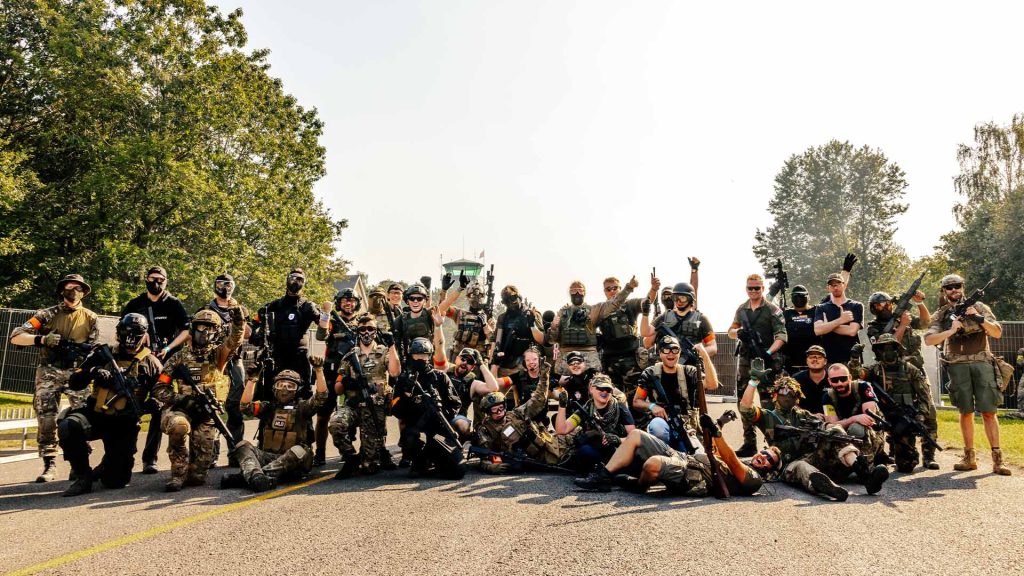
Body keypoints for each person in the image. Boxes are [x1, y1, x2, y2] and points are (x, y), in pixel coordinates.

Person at [58, 313, 163, 496]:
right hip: (96, 416)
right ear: (119, 333)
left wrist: (152, 404)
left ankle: (106, 466)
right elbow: (74, 382)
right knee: (68, 426)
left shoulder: (151, 363)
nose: (130, 337)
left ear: (145, 336)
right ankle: (83, 476)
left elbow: (164, 393)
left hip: (125, 424)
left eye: (136, 333)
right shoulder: (102, 354)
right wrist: (94, 371)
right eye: (126, 332)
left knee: (115, 481)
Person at [9, 273, 98, 482]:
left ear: (84, 291)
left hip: (77, 372)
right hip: (49, 371)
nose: (73, 291)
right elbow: (16, 336)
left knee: (82, 417)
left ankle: (79, 464)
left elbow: (94, 348)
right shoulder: (46, 315)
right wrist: (41, 339)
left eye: (78, 287)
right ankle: (49, 464)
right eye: (69, 287)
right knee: (46, 417)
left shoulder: (91, 318)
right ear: (62, 290)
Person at [741, 374, 889, 499]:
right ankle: (824, 486)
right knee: (800, 467)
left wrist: (830, 429)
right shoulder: (768, 417)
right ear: (774, 394)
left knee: (835, 431)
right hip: (787, 464)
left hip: (814, 457)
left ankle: (864, 474)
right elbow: (745, 408)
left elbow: (823, 425)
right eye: (783, 391)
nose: (787, 396)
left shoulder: (803, 415)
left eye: (792, 393)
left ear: (798, 397)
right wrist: (753, 382)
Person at [924, 274, 1010, 475]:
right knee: (965, 411)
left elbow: (996, 332)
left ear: (963, 287)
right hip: (957, 365)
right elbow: (929, 340)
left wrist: (977, 318)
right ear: (944, 292)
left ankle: (998, 459)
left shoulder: (979, 307)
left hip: (982, 362)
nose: (954, 290)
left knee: (989, 411)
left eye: (957, 286)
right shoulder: (942, 314)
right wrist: (951, 330)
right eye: (949, 287)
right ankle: (969, 457)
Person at [154, 306, 245, 491]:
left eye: (210, 329)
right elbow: (159, 389)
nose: (204, 333)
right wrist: (183, 400)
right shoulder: (178, 358)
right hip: (182, 410)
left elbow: (233, 342)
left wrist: (239, 324)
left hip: (206, 414)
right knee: (179, 426)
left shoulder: (218, 355)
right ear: (193, 329)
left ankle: (191, 470)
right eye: (201, 327)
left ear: (217, 332)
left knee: (197, 477)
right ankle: (178, 474)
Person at [573, 416, 763, 496]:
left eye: (770, 459)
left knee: (652, 464)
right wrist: (713, 427)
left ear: (770, 469)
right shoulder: (743, 462)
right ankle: (603, 477)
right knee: (637, 434)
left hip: (690, 475)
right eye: (765, 452)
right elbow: (713, 449)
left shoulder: (755, 480)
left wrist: (717, 433)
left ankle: (639, 485)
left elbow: (730, 459)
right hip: (684, 457)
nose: (764, 457)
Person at [221, 360, 329, 492]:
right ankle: (257, 476)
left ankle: (251, 476)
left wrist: (318, 370)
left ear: (297, 390)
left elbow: (321, 397)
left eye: (290, 386)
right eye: (281, 385)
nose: (284, 390)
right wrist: (252, 380)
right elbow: (245, 407)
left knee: (301, 450)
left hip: (295, 463)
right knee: (242, 445)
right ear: (274, 388)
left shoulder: (302, 407)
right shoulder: (268, 407)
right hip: (268, 456)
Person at [328, 315, 401, 477]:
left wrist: (392, 346)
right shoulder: (349, 356)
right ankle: (350, 458)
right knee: (335, 423)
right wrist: (347, 382)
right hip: (354, 406)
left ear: (376, 331)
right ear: (357, 331)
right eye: (362, 329)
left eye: (370, 329)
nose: (366, 332)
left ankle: (372, 454)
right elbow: (337, 389)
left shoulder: (383, 352)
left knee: (370, 467)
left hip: (375, 409)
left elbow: (395, 372)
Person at [474, 361, 575, 474]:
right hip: (535, 459)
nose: (499, 412)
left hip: (548, 444)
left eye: (501, 408)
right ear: (488, 412)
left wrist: (544, 376)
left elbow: (538, 400)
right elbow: (485, 456)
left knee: (577, 438)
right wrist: (491, 467)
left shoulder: (516, 414)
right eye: (494, 410)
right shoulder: (486, 429)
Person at [727, 273, 787, 456]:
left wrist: (768, 353)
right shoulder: (741, 309)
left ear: (763, 288)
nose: (753, 291)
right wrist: (739, 333)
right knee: (743, 402)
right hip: (745, 363)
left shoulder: (772, 309)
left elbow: (782, 336)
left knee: (768, 404)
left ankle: (773, 444)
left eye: (757, 288)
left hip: (766, 362)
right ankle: (749, 443)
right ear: (746, 289)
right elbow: (730, 330)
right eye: (750, 288)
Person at [390, 337, 468, 479]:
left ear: (429, 356)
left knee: (458, 471)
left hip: (439, 429)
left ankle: (435, 460)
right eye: (417, 355)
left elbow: (456, 403)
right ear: (411, 356)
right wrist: (407, 395)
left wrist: (440, 410)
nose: (421, 359)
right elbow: (395, 410)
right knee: (411, 437)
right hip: (417, 429)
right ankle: (419, 462)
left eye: (424, 355)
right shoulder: (404, 380)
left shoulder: (440, 377)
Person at [862, 334, 939, 471]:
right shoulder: (875, 370)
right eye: (883, 349)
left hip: (903, 416)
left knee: (906, 466)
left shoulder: (911, 370)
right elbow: (855, 373)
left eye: (891, 348)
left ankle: (928, 457)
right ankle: (877, 454)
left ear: (898, 350)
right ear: (878, 351)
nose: (888, 352)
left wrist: (921, 415)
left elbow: (924, 396)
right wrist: (855, 358)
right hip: (882, 414)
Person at [198, 273, 251, 468]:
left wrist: (238, 318)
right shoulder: (206, 309)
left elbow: (248, 334)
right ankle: (210, 454)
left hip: (234, 360)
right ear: (215, 286)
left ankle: (235, 451)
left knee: (235, 408)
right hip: (213, 361)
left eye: (228, 284)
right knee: (211, 406)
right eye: (220, 283)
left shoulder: (240, 308)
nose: (224, 287)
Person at [631, 335, 718, 448]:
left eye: (675, 349)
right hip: (662, 424)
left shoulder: (689, 372)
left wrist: (705, 357)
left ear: (680, 352)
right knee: (658, 428)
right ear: (660, 353)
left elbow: (712, 384)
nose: (671, 354)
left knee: (697, 456)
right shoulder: (650, 374)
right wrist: (652, 406)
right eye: (666, 350)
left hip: (687, 428)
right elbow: (637, 402)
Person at [250, 268, 321, 397]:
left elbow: (325, 327)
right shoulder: (274, 305)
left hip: (299, 355)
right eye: (293, 278)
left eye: (300, 279)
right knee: (269, 391)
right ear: (287, 280)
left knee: (303, 392)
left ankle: (302, 417)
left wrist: (326, 317)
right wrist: (256, 335)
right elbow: (254, 322)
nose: (295, 282)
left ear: (304, 283)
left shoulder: (308, 306)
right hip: (277, 355)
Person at [548, 276, 638, 375]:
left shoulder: (593, 310)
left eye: (579, 290)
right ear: (569, 293)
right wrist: (554, 327)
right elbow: (552, 340)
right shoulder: (562, 313)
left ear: (584, 292)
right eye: (573, 291)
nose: (577, 293)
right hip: (565, 356)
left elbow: (614, 303)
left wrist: (628, 288)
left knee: (597, 385)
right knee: (558, 383)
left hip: (589, 355)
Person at [314, 288, 363, 466]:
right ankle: (320, 453)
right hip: (331, 369)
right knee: (323, 413)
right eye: (344, 301)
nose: (348, 303)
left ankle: (348, 449)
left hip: (353, 371)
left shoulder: (362, 321)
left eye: (351, 300)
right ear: (339, 303)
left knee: (353, 410)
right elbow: (321, 335)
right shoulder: (333, 320)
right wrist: (325, 314)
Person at [555, 373, 635, 471]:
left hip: (617, 450)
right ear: (591, 389)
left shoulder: (620, 408)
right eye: (600, 388)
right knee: (584, 451)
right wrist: (562, 406)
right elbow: (562, 429)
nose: (604, 392)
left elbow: (633, 437)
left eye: (608, 389)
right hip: (596, 450)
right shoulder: (586, 408)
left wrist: (617, 439)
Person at [596, 274, 659, 391]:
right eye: (608, 289)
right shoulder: (600, 309)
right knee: (612, 398)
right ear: (604, 291)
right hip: (610, 361)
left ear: (620, 289)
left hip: (630, 359)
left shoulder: (630, 304)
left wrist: (654, 289)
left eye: (615, 288)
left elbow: (647, 302)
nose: (612, 291)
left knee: (634, 396)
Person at [821, 363, 885, 464]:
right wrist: (853, 419)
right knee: (833, 432)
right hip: (845, 434)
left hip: (870, 432)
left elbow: (868, 419)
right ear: (829, 381)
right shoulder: (827, 396)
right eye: (834, 380)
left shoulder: (863, 387)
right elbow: (832, 424)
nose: (839, 383)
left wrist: (849, 422)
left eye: (843, 379)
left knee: (856, 428)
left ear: (850, 377)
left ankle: (869, 461)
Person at [642, 279, 717, 361]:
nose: (678, 301)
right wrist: (645, 314)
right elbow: (645, 332)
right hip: (665, 365)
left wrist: (699, 351)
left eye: (682, 298)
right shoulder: (664, 317)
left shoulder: (701, 319)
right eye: (675, 297)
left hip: (691, 366)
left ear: (690, 299)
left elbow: (713, 347)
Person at [866, 289, 931, 371]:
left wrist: (920, 303)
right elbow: (890, 347)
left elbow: (926, 323)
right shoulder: (873, 328)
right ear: (873, 308)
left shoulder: (902, 317)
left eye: (888, 304)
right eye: (880, 306)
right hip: (892, 372)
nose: (885, 308)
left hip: (915, 368)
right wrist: (903, 325)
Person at [489, 285, 544, 377]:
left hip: (528, 363)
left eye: (513, 298)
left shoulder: (532, 314)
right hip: (507, 363)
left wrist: (532, 324)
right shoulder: (503, 318)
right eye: (507, 301)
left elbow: (541, 340)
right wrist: (492, 361)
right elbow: (496, 341)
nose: (511, 303)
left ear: (519, 297)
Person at [437, 272, 494, 358]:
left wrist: (485, 325)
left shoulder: (487, 317)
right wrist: (444, 291)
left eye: (479, 295)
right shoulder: (460, 314)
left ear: (483, 297)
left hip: (478, 360)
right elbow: (442, 308)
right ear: (467, 296)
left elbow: (493, 340)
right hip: (459, 356)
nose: (475, 297)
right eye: (472, 295)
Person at [813, 273, 864, 365]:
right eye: (832, 285)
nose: (835, 287)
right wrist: (841, 320)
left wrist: (827, 326)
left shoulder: (856, 306)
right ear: (828, 288)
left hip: (851, 360)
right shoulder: (821, 308)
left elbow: (852, 331)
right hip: (827, 360)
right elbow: (818, 330)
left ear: (844, 285)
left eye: (838, 284)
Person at [782, 285, 820, 374]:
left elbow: (834, 296)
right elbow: (768, 307)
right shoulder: (785, 313)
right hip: (790, 363)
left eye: (802, 296)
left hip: (814, 362)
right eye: (796, 296)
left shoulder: (817, 311)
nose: (799, 298)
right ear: (791, 298)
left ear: (808, 297)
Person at [791, 345, 828, 414]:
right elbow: (791, 403)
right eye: (811, 357)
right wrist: (809, 415)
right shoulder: (796, 379)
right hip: (803, 419)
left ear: (825, 361)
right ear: (806, 361)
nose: (814, 360)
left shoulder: (833, 378)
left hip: (832, 419)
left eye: (819, 357)